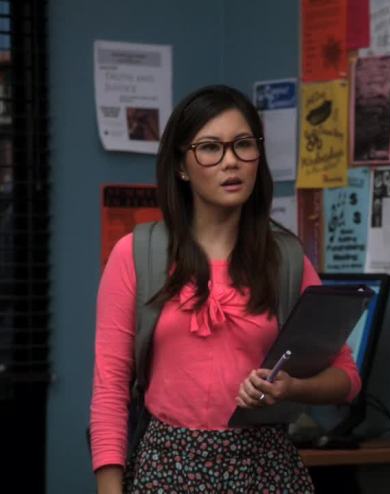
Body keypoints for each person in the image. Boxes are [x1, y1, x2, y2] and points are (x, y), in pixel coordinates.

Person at [90, 85, 361, 493]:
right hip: (167, 469)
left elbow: (347, 377)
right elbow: (109, 390)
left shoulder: (286, 259)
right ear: (182, 167)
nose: (231, 161)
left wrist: (292, 388)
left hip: (266, 471)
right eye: (210, 148)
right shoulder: (136, 253)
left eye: (243, 145)